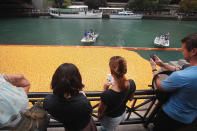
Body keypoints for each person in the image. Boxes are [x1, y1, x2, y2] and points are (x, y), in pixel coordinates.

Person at [150, 33, 197, 131]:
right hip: (190, 118)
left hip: (171, 116)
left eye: (183, 49)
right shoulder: (188, 72)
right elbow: (181, 69)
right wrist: (163, 64)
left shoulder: (182, 76)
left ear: (193, 51)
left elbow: (160, 86)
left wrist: (154, 69)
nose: (181, 52)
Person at [43, 63, 96, 131]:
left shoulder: (48, 101)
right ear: (77, 81)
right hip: (83, 127)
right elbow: (89, 112)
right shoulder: (83, 102)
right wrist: (82, 95)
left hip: (68, 126)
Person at [98, 56, 136, 131]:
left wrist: (105, 89)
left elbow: (100, 111)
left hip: (111, 119)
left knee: (109, 129)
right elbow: (131, 99)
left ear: (111, 72)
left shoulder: (108, 94)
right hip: (122, 113)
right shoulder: (131, 83)